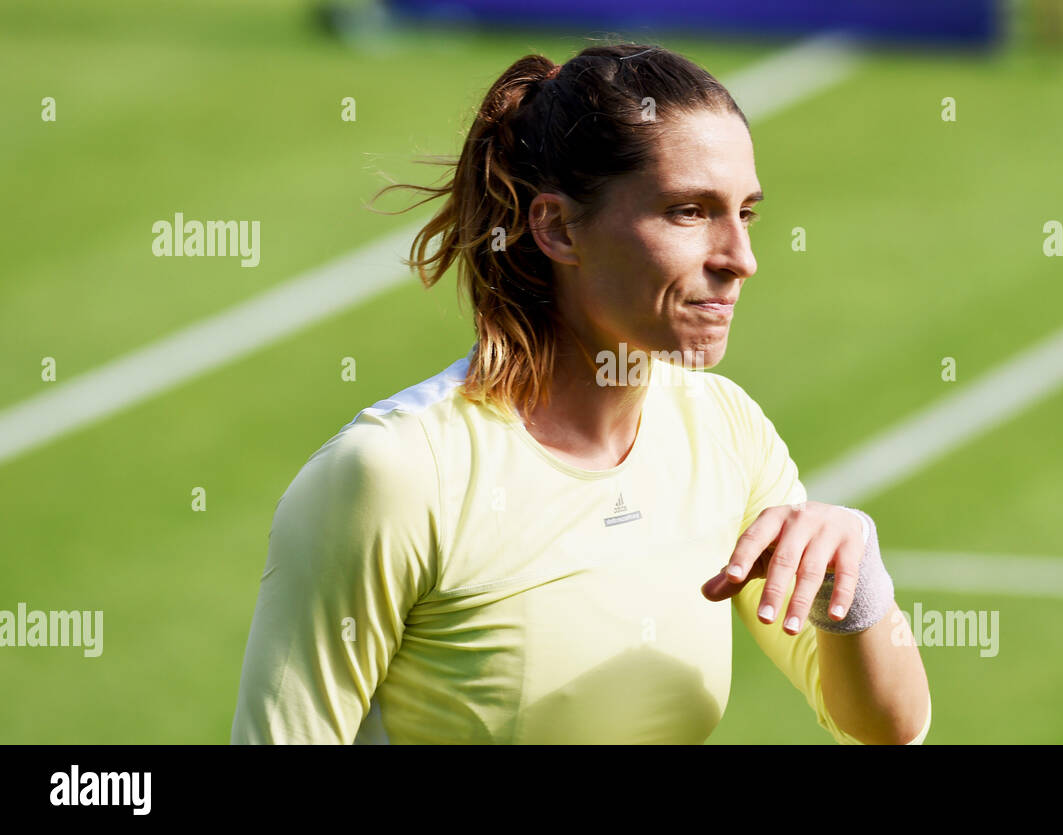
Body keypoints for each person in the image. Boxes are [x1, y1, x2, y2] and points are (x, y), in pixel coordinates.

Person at [230, 42, 930, 744]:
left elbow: (883, 728)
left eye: (745, 213)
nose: (740, 258)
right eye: (689, 211)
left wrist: (857, 584)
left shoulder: (722, 430)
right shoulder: (398, 476)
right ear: (558, 227)